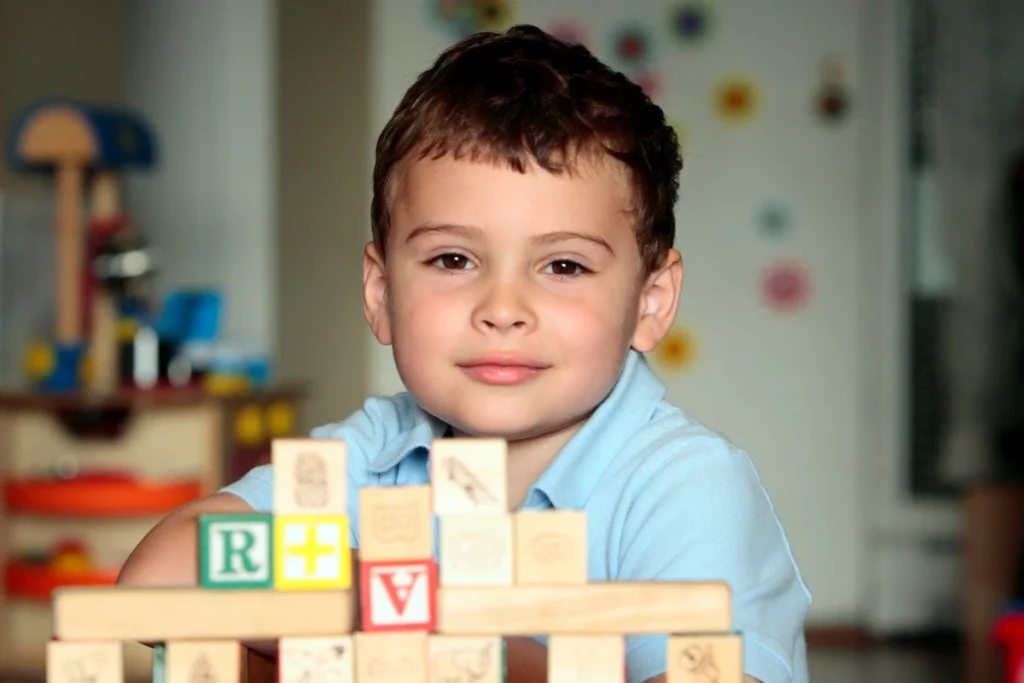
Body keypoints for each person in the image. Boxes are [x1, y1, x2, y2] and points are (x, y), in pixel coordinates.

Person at [117, 24, 811, 683]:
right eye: (453, 258)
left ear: (652, 302)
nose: (502, 308)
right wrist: (402, 606)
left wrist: (472, 647)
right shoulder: (375, 452)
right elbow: (163, 571)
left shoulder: (686, 484)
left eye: (564, 266)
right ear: (382, 292)